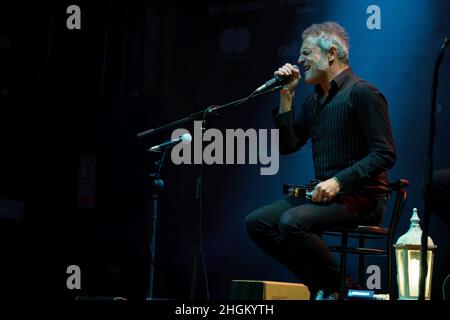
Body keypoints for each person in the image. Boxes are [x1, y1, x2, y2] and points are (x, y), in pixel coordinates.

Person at [245, 21, 397, 300]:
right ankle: (326, 285)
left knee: (292, 222)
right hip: (326, 197)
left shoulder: (363, 93)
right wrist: (286, 97)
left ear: (331, 54)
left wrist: (340, 181)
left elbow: (385, 152)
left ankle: (343, 290)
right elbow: (289, 146)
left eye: (306, 53)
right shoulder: (314, 101)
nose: (299, 60)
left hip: (363, 198)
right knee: (258, 222)